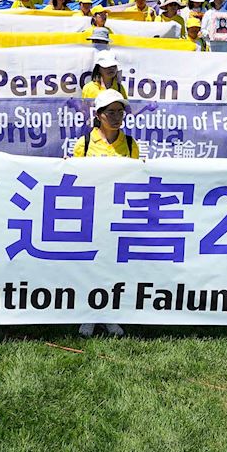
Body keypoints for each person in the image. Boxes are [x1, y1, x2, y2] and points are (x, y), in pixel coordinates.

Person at [71, 89, 138, 337]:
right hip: (91, 215)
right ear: (98, 115)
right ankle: (88, 314)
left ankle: (109, 314)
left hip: (118, 216)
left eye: (120, 112)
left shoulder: (131, 144)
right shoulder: (85, 143)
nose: (116, 117)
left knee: (114, 267)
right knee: (89, 265)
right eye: (111, 112)